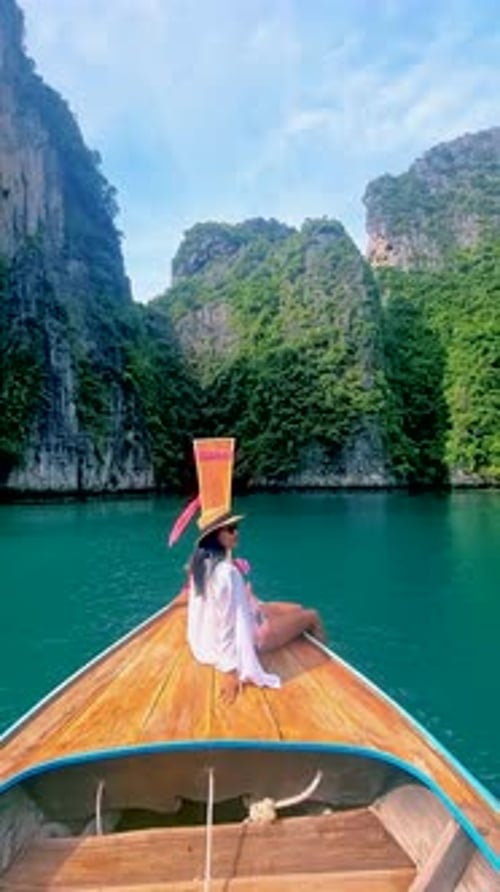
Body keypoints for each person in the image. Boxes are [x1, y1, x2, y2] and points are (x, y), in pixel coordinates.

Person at [187, 517, 325, 704]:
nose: (237, 532)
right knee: (311, 615)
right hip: (254, 635)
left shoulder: (200, 565)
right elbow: (226, 623)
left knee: (296, 608)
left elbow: (203, 607)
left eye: (236, 528)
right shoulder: (227, 573)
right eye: (231, 529)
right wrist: (230, 672)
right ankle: (323, 672)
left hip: (214, 639)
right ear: (216, 536)